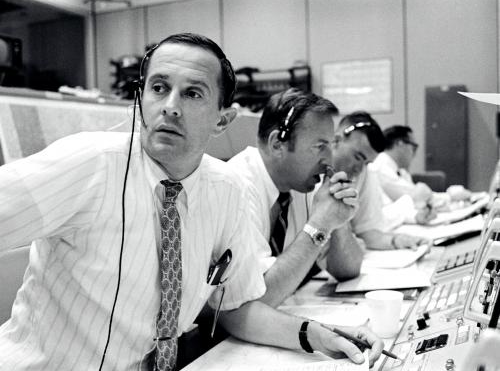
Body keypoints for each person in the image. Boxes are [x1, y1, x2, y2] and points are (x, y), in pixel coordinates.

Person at [0, 33, 383, 370]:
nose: (169, 106)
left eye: (193, 93)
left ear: (222, 120)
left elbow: (233, 308)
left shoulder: (225, 189)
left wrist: (316, 335)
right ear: (139, 98)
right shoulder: (90, 164)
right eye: (159, 88)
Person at [228, 88, 363, 308]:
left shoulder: (303, 183)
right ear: (277, 145)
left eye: (331, 146)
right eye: (319, 147)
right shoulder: (236, 187)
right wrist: (319, 224)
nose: (329, 160)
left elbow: (348, 270)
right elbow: (256, 299)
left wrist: (337, 220)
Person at [331, 112, 430, 250]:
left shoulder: (364, 173)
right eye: (358, 157)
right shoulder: (309, 177)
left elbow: (367, 232)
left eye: (366, 163)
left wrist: (397, 240)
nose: (359, 169)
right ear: (336, 141)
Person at [372, 125, 471, 209]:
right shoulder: (381, 167)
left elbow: (422, 197)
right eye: (413, 147)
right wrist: (451, 197)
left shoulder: (399, 170)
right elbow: (416, 197)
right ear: (400, 144)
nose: (414, 154)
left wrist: (450, 197)